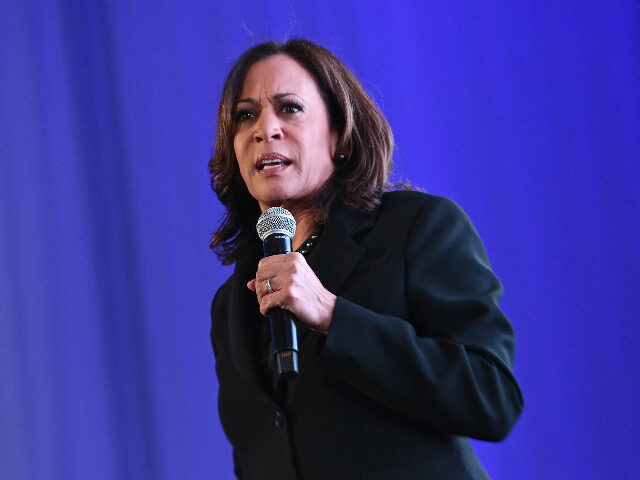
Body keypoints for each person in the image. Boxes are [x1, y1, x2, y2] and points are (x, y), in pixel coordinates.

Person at [208, 39, 523, 480]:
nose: (265, 129)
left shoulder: (416, 229)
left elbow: (491, 397)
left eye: (290, 108)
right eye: (246, 115)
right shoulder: (231, 305)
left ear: (338, 134)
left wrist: (333, 316)